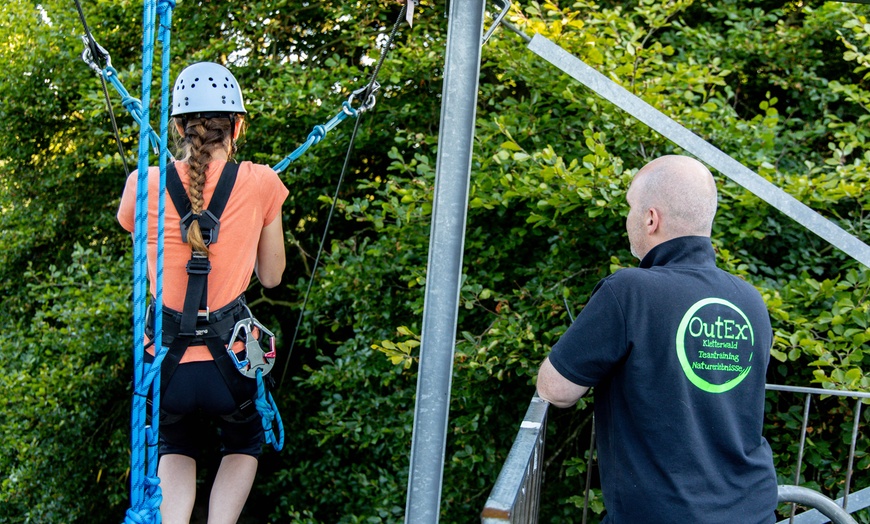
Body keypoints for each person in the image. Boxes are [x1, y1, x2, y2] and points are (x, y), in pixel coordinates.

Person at [536, 155, 778, 523]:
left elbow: (556, 390)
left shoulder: (630, 291)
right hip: (752, 511)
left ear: (651, 219)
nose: (628, 218)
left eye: (631, 207)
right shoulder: (749, 300)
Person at [117, 61, 289, 524]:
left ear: (177, 127)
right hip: (229, 366)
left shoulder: (144, 185)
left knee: (174, 442)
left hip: (165, 364)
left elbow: (133, 230)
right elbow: (272, 276)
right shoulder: (261, 183)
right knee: (243, 441)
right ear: (238, 126)